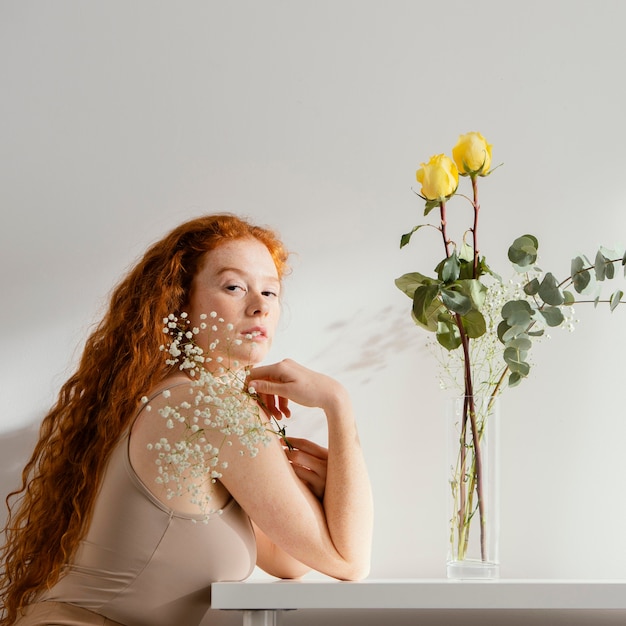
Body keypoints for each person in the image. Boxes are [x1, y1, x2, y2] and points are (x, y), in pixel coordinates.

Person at [0, 214, 373, 626]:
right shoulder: (206, 407)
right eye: (234, 287)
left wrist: (306, 496)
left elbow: (289, 560)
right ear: (180, 300)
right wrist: (338, 405)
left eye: (271, 291)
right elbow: (350, 562)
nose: (260, 305)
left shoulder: (174, 395)